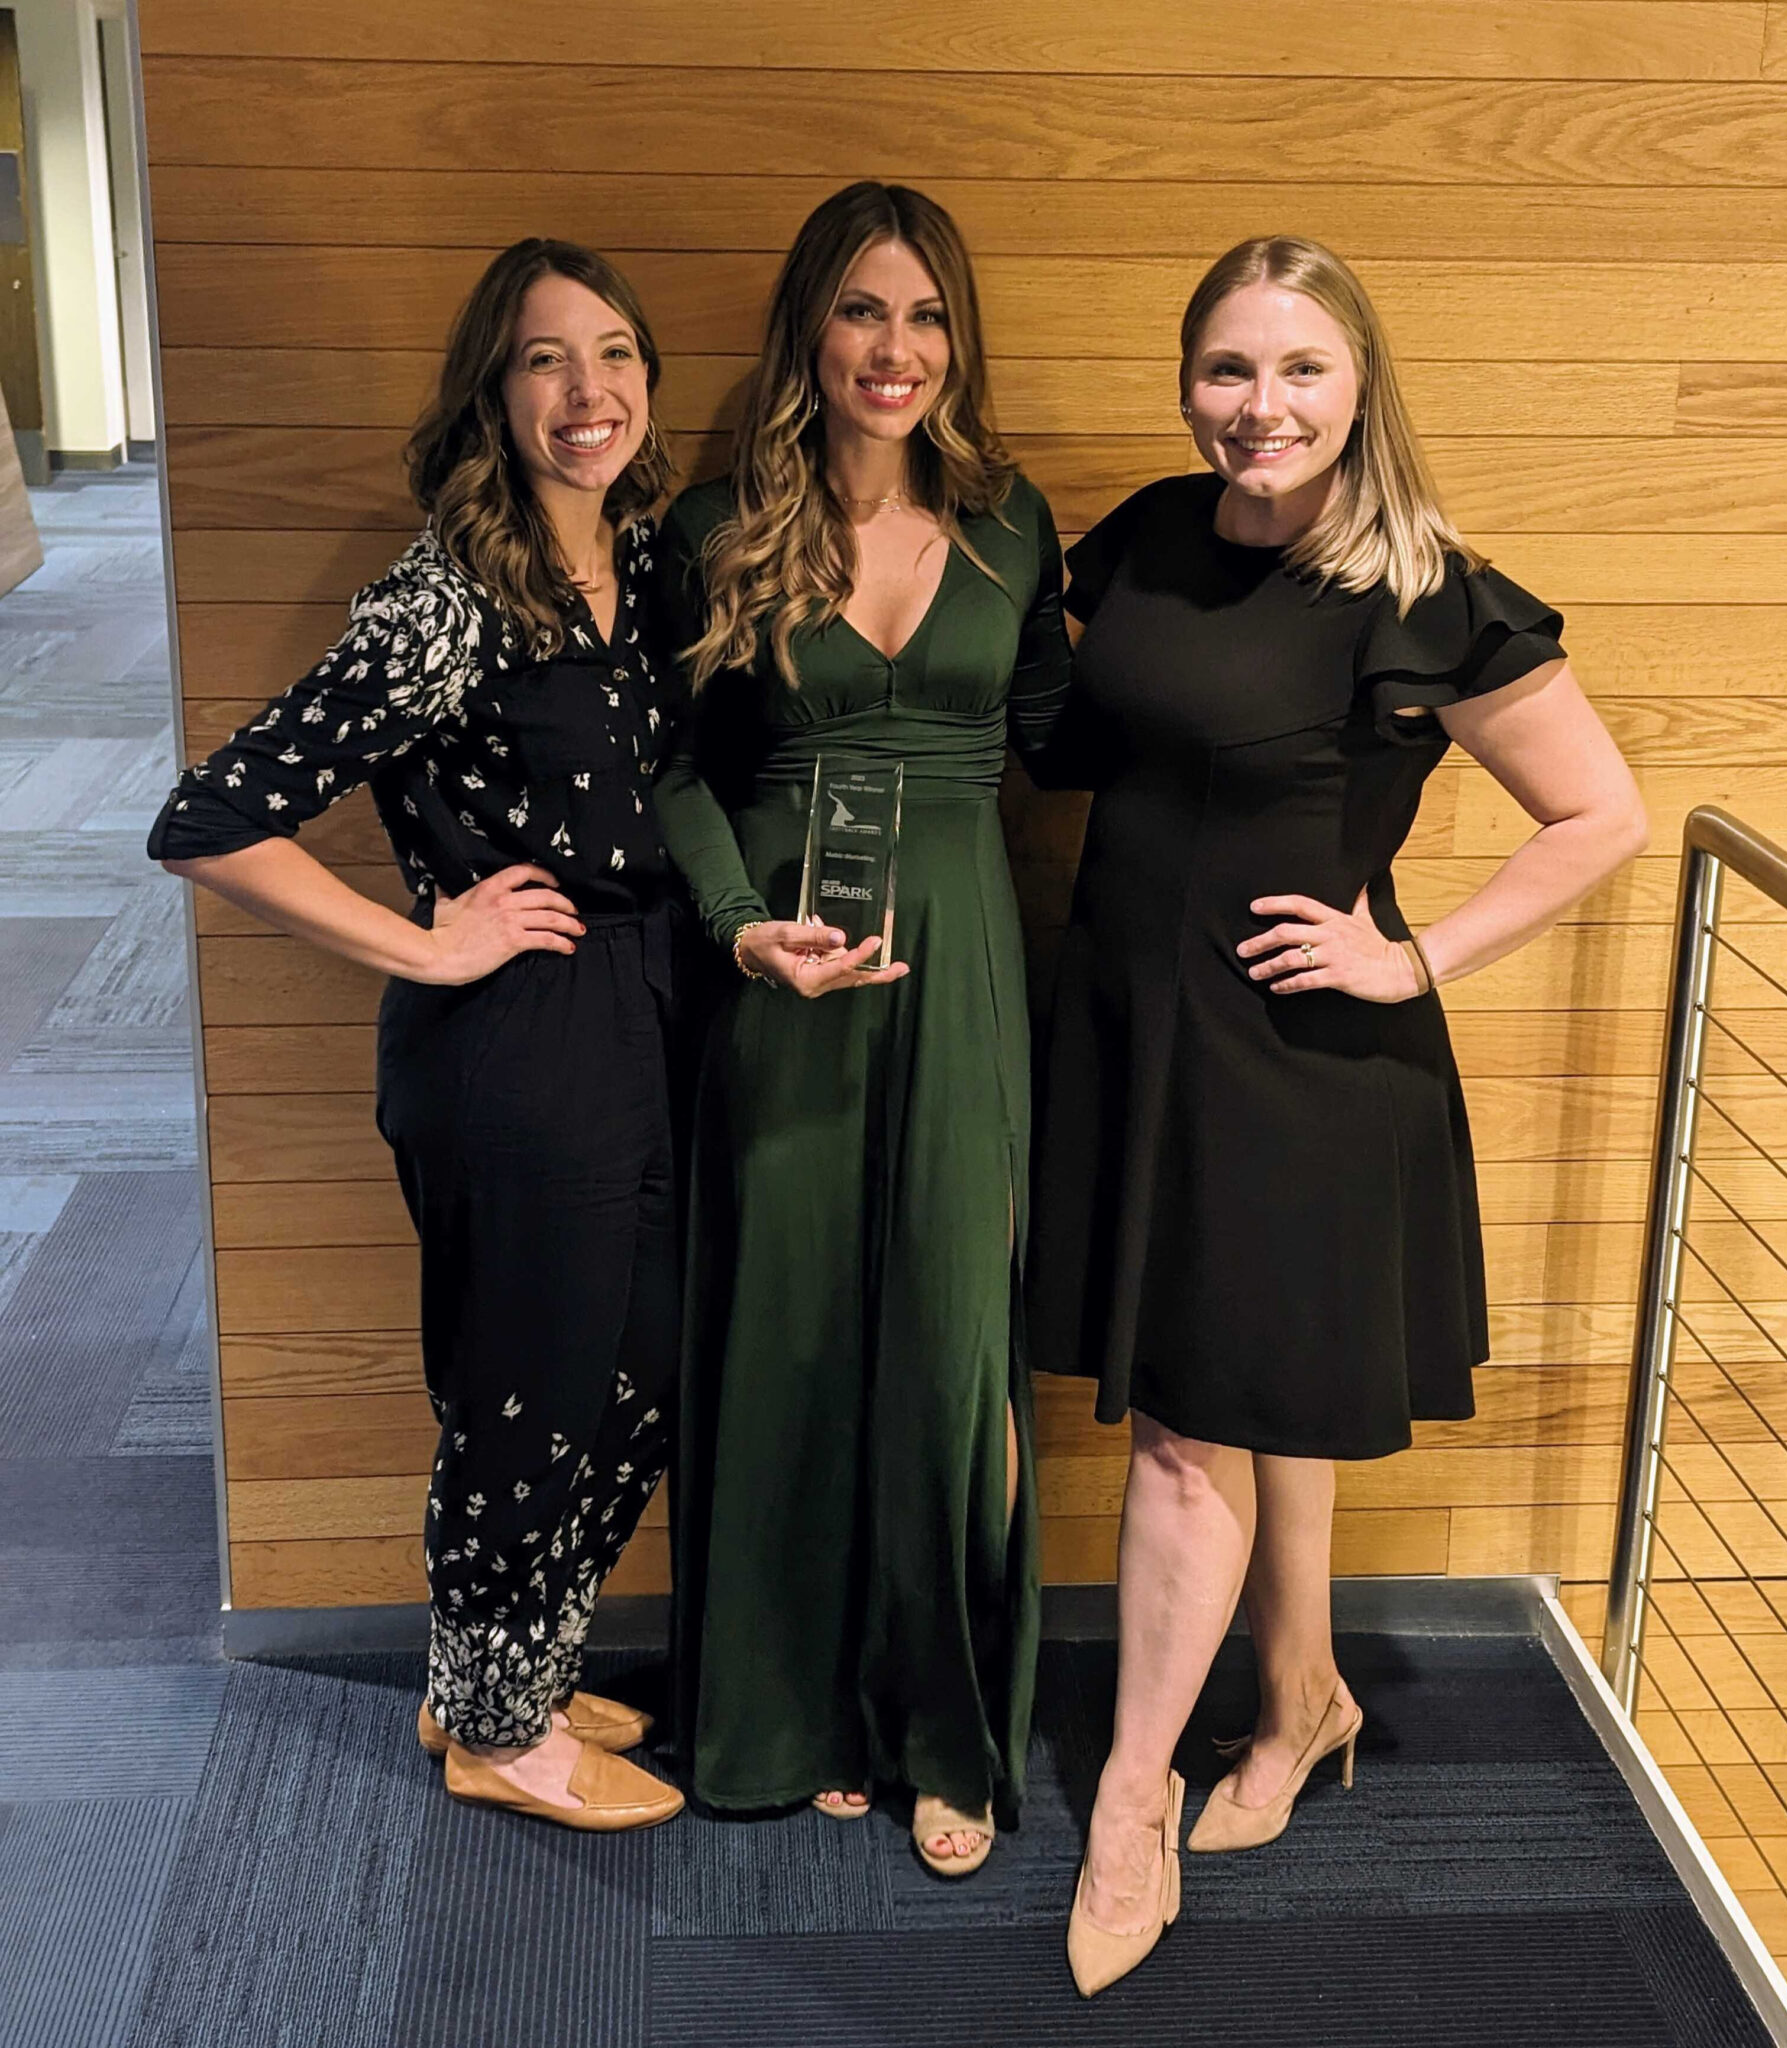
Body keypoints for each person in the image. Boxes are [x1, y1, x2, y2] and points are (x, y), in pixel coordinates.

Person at [1030, 236, 1648, 1993]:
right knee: (1248, 1397)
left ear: (1360, 382)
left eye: (1299, 370)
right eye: (1229, 369)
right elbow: (1074, 736)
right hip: (1129, 1032)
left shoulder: (1420, 587)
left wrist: (1415, 958)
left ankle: (1133, 1800)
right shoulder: (1146, 535)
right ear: (1186, 383)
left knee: (1184, 1429)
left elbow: (1596, 813)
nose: (1260, 408)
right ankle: (1298, 1697)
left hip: (1297, 1065)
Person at [150, 239, 691, 1833]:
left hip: (653, 1008)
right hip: (516, 1038)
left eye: (612, 353)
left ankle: (491, 1670)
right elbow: (210, 821)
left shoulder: (647, 561)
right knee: (525, 1386)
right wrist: (423, 940)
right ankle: (501, 1735)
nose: (586, 393)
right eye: (544, 360)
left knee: (640, 1370)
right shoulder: (445, 598)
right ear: (492, 392)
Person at [652, 181, 1071, 1874]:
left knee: (951, 1344)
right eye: (860, 312)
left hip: (964, 964)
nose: (892, 351)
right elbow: (670, 765)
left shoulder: (1012, 517)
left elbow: (1068, 730)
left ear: (956, 342)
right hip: (781, 967)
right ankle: (793, 1709)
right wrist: (738, 927)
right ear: (806, 330)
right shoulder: (711, 524)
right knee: (790, 1333)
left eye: (924, 317)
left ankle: (940, 1724)